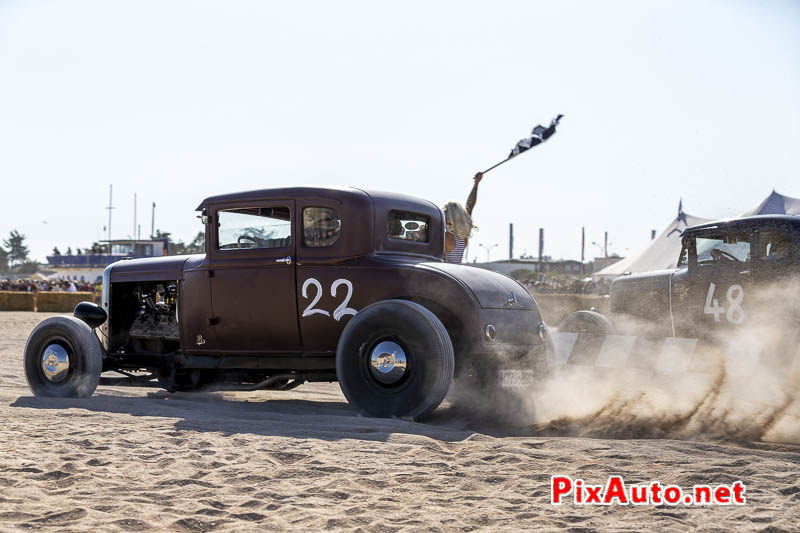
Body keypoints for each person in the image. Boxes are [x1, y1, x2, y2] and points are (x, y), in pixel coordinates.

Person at [444, 172, 482, 263]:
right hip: (455, 273)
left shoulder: (446, 237)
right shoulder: (462, 238)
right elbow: (470, 206)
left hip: (445, 275)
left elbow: (442, 263)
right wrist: (476, 184)